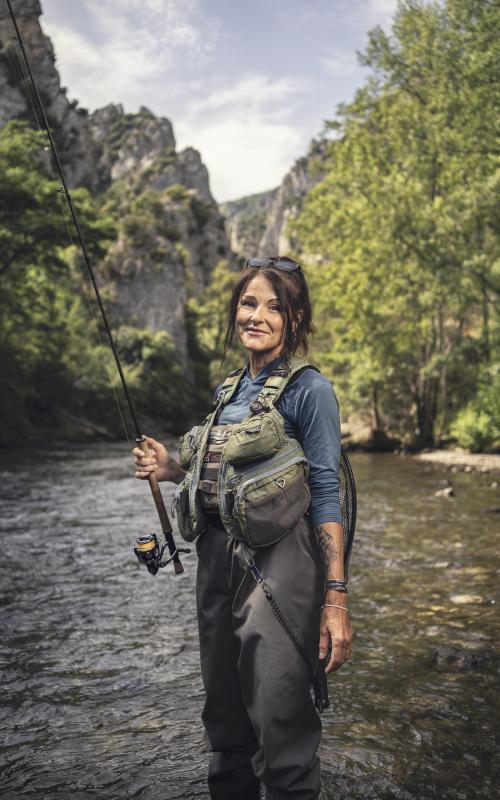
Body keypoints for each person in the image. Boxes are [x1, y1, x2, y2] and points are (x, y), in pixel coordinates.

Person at [133, 256, 353, 800]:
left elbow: (327, 492)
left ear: (295, 320)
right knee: (225, 717)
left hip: (281, 564)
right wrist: (170, 467)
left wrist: (335, 600)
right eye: (249, 303)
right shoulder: (227, 391)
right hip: (215, 560)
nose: (257, 316)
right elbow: (225, 475)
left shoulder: (310, 391)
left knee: (279, 713)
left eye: (274, 307)